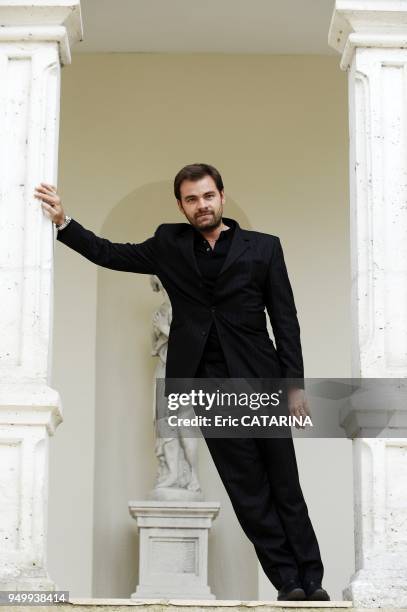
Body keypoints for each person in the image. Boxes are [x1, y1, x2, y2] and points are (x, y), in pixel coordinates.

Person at [34, 163, 329, 601]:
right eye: (191, 199)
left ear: (222, 197)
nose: (201, 205)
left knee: (285, 483)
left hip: (260, 378)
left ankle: (312, 577)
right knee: (247, 492)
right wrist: (64, 221)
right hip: (206, 386)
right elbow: (110, 253)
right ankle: (287, 580)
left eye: (207, 196)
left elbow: (285, 321)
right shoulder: (168, 244)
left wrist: (294, 384)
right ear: (181, 205)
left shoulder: (264, 248)